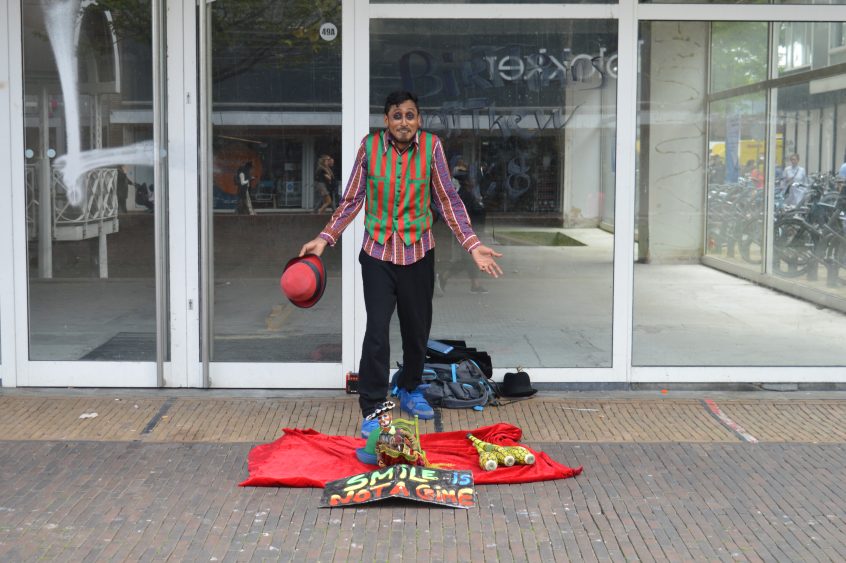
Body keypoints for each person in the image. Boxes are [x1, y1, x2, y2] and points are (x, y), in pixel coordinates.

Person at [298, 91, 503, 438]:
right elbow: (351, 199)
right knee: (377, 332)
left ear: (418, 119)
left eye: (410, 115)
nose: (404, 122)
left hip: (418, 252)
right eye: (397, 116)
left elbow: (447, 199)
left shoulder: (432, 147)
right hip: (377, 254)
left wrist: (472, 244)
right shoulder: (369, 148)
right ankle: (373, 406)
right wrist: (325, 238)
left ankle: (409, 387)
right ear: (386, 121)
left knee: (416, 330)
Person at [438, 156, 489, 294]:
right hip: (467, 231)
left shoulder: (466, 194)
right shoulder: (465, 195)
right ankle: (446, 277)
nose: (473, 181)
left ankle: (472, 283)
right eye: (470, 179)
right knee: (470, 258)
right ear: (466, 181)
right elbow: (471, 213)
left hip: (468, 230)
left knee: (469, 259)